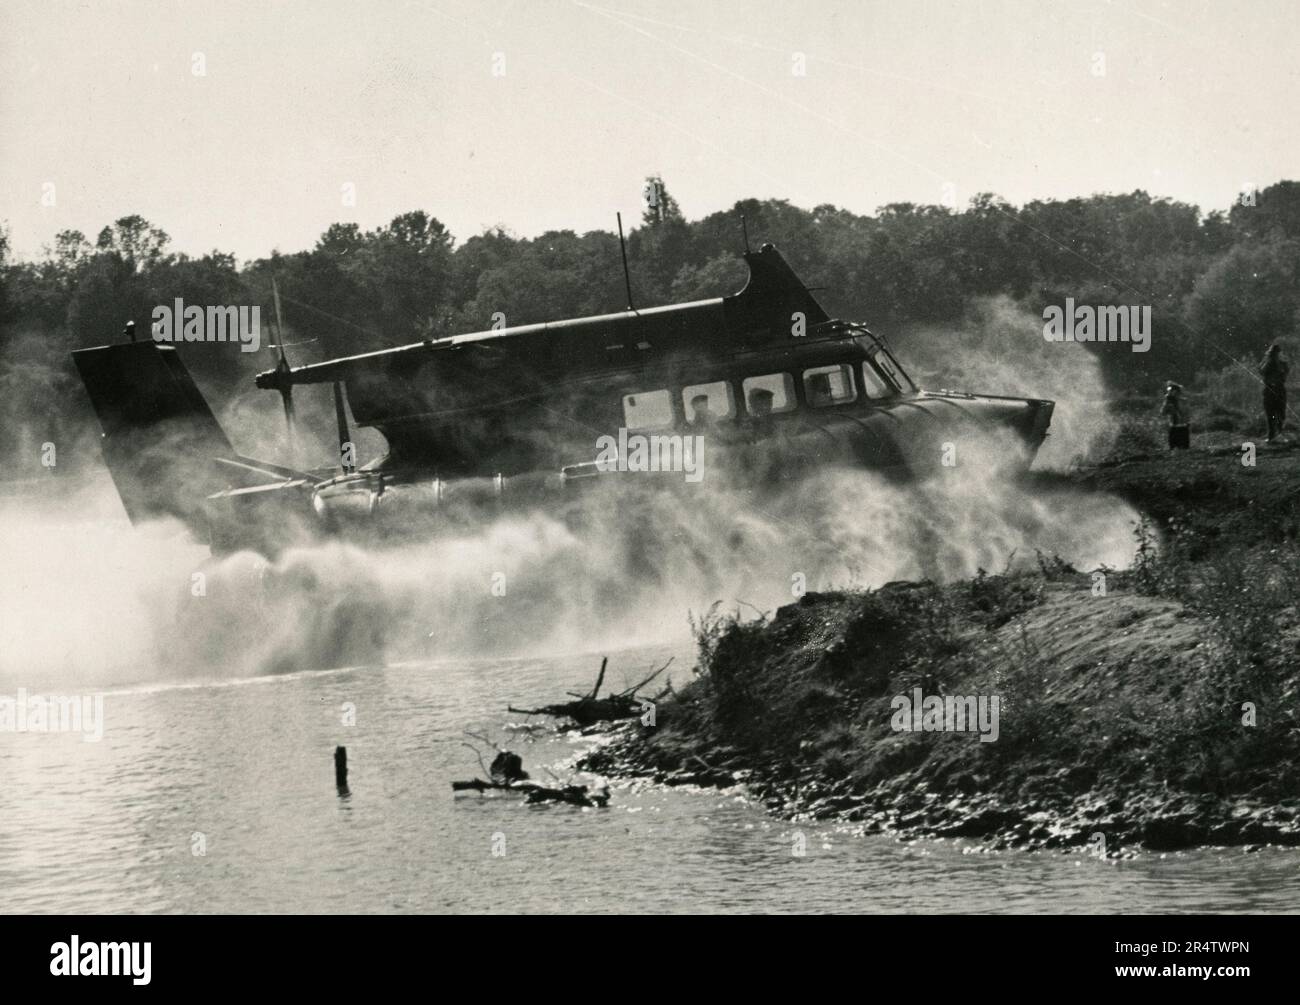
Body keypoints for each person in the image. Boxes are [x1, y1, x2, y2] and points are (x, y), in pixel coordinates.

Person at [1259, 343, 1289, 442]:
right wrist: (1267, 360)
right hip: (1270, 389)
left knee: (1280, 413)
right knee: (1270, 413)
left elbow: (1285, 372)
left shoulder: (1282, 363)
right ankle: (1272, 435)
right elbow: (1261, 370)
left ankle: (1279, 434)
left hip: (1278, 389)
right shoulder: (1268, 362)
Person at [1160, 381, 1190, 450]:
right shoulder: (1168, 403)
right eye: (1170, 392)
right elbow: (1162, 413)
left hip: (1183, 428)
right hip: (1173, 428)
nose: (1170, 394)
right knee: (1173, 450)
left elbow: (1185, 413)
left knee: (1185, 450)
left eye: (1172, 392)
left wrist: (1174, 404)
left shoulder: (1183, 401)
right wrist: (1166, 403)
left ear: (1177, 392)